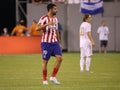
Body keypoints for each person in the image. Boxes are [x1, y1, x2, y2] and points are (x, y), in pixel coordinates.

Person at [36, 3, 62, 85]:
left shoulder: (55, 19)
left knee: (60, 58)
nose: (56, 10)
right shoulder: (43, 18)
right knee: (45, 61)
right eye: (55, 9)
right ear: (50, 9)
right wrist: (47, 24)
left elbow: (56, 30)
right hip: (46, 43)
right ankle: (44, 80)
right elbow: (37, 28)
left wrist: (59, 42)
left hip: (54, 42)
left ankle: (53, 77)